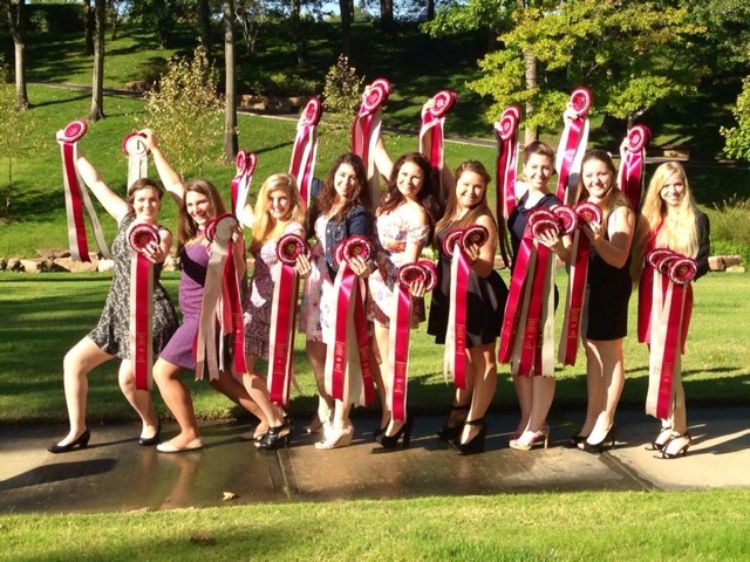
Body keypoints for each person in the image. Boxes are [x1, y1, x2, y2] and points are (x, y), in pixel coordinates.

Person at [140, 131, 273, 453]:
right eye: (192, 204)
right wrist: (156, 147)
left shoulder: (225, 229)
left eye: (202, 202)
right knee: (217, 375)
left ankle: (189, 433)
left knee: (163, 371)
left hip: (205, 316)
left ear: (213, 201)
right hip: (194, 313)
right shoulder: (198, 228)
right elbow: (174, 185)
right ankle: (271, 418)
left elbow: (239, 270)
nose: (197, 208)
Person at [48, 144, 177, 453]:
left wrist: (155, 251)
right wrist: (73, 149)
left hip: (150, 313)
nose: (148, 205)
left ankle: (150, 422)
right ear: (133, 202)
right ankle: (77, 431)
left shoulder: (162, 233)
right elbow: (97, 183)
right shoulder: (123, 218)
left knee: (127, 379)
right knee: (73, 362)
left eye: (154, 200)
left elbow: (161, 252)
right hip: (117, 310)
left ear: (160, 204)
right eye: (142, 200)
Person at [427, 160, 508, 454]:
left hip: (477, 292)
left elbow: (486, 268)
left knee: (483, 359)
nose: (471, 191)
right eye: (466, 185)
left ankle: (475, 422)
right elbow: (435, 158)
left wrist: (472, 260)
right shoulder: (450, 211)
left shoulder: (483, 220)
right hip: (452, 291)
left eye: (478, 187)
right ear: (456, 184)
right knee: (463, 356)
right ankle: (459, 410)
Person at [632, 161, 710, 459]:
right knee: (656, 360)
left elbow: (703, 260)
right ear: (658, 189)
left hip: (676, 300)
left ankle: (681, 432)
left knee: (671, 366)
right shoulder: (650, 219)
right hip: (650, 299)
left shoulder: (698, 219)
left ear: (685, 185)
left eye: (678, 184)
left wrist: (686, 270)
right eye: (666, 185)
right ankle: (666, 423)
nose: (673, 190)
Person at [299, 153, 375, 449]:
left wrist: (361, 262)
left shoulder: (358, 214)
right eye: (341, 176)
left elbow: (359, 245)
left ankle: (343, 422)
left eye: (353, 178)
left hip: (338, 289)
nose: (346, 182)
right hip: (315, 287)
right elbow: (302, 172)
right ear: (333, 177)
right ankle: (327, 408)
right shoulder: (321, 200)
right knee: (315, 352)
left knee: (340, 354)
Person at [368, 146, 441, 446]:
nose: (408, 181)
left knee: (392, 358)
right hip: (374, 281)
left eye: (416, 177)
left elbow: (409, 263)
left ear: (424, 182)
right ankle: (390, 415)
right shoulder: (389, 200)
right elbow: (378, 150)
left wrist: (384, 265)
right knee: (377, 356)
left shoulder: (418, 214)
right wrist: (374, 114)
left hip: (397, 288)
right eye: (404, 174)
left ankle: (399, 418)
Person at [506, 141, 572, 451]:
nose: (540, 172)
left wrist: (558, 246)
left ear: (553, 170)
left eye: (546, 167)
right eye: (534, 166)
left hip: (543, 291)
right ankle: (528, 418)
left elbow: (568, 251)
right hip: (518, 288)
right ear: (525, 168)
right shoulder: (520, 198)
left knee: (539, 358)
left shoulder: (555, 205)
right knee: (519, 358)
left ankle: (536, 424)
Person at [570, 150, 635, 452]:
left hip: (609, 289)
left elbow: (620, 258)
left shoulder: (620, 209)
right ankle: (590, 419)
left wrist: (597, 240)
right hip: (587, 287)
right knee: (592, 354)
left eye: (601, 173)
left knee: (609, 355)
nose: (596, 180)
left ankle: (606, 421)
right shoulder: (583, 207)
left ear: (612, 173)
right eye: (589, 175)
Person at [240, 173, 310, 450]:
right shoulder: (265, 224)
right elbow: (241, 210)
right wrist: (242, 178)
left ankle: (276, 422)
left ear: (293, 199)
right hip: (254, 302)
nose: (277, 203)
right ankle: (275, 417)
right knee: (243, 368)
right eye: (272, 198)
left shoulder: (294, 230)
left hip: (274, 307)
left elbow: (298, 259)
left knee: (244, 368)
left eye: (283, 198)